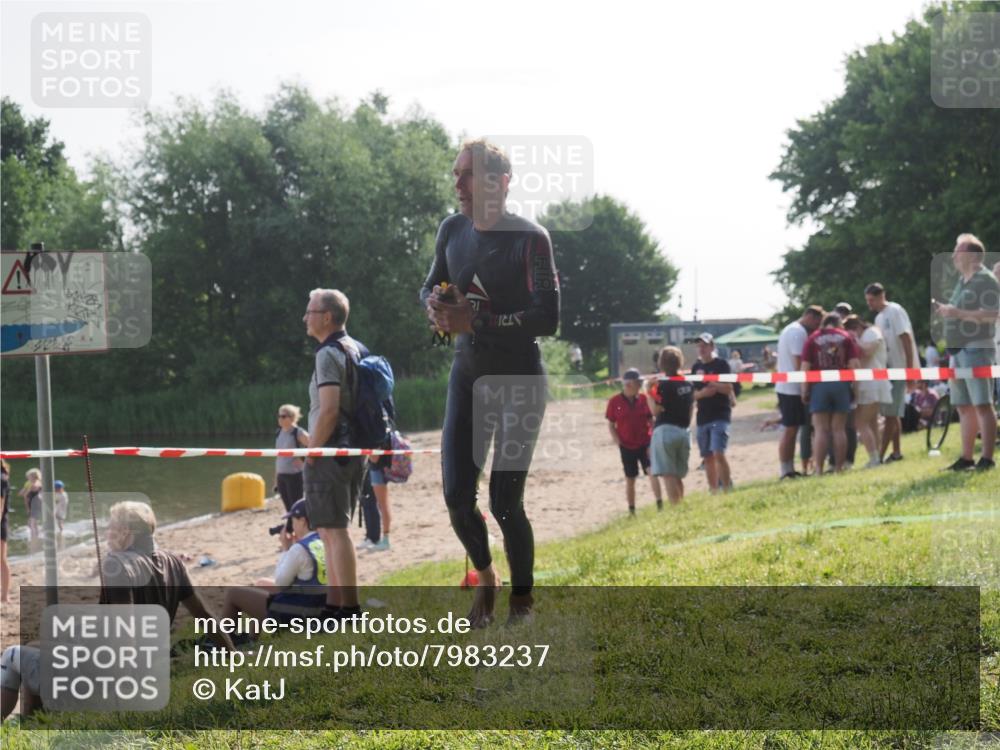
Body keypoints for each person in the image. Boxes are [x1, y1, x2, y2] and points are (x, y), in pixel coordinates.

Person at [421, 138, 560, 627]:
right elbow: (431, 283)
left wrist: (474, 319)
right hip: (467, 377)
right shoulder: (452, 229)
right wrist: (436, 307)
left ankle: (523, 599)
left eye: (468, 175)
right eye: (456, 174)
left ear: (500, 183)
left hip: (519, 379)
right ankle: (487, 578)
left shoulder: (531, 237)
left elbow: (548, 317)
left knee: (505, 501)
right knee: (458, 497)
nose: (457, 183)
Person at [1, 500, 233, 721]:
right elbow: (205, 616)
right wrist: (232, 654)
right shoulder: (174, 562)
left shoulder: (118, 565)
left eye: (111, 526)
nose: (106, 531)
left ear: (126, 532)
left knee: (12, 656)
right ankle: (34, 724)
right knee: (34, 648)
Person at [302, 288, 368, 622]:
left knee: (335, 530)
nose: (305, 318)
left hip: (331, 452)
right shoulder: (355, 348)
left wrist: (312, 451)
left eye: (310, 311)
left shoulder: (328, 353)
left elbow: (328, 410)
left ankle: (349, 608)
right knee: (328, 529)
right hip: (353, 451)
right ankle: (334, 604)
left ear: (327, 317)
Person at [934, 233, 999, 471]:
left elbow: (993, 314)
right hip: (958, 349)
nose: (952, 256)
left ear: (971, 255)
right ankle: (967, 457)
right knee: (963, 405)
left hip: (977, 347)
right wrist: (949, 312)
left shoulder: (986, 279)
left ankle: (988, 458)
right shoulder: (963, 280)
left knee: (982, 402)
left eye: (957, 251)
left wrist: (958, 313)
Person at [223, 498, 327, 628]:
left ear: (302, 521)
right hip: (322, 606)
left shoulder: (299, 549)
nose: (292, 525)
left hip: (302, 614)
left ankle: (223, 638)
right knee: (262, 583)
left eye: (292, 521)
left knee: (234, 593)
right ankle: (250, 638)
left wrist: (285, 549)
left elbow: (281, 583)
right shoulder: (324, 541)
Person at [865, 282, 919, 463]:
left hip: (899, 369)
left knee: (890, 414)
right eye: (868, 300)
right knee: (893, 412)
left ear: (882, 296)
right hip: (887, 370)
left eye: (871, 300)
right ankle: (896, 452)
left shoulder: (895, 311)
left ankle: (879, 456)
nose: (869, 304)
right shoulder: (879, 318)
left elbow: (906, 338)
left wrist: (910, 370)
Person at [801, 313, 861, 474]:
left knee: (820, 429)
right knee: (839, 429)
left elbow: (805, 366)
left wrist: (804, 389)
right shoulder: (846, 337)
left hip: (819, 385)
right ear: (838, 323)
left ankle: (819, 469)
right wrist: (855, 389)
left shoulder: (812, 338)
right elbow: (854, 365)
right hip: (841, 384)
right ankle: (839, 468)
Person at [775, 305, 824, 479]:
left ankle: (788, 468)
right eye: (817, 323)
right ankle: (786, 469)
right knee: (790, 430)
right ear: (810, 317)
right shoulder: (798, 333)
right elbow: (799, 363)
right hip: (792, 389)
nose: (817, 327)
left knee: (792, 429)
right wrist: (807, 386)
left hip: (787, 387)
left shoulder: (790, 329)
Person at [606, 368, 663, 515]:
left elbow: (651, 419)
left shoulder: (644, 399)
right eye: (639, 383)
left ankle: (660, 505)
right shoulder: (614, 402)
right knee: (630, 479)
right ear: (630, 384)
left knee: (652, 472)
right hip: (626, 446)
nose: (640, 385)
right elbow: (611, 425)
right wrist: (618, 442)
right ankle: (632, 511)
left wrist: (654, 437)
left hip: (645, 443)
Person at [646, 346, 694, 503]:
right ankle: (681, 505)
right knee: (677, 476)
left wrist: (648, 392)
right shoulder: (688, 383)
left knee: (668, 474)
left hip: (666, 430)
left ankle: (676, 509)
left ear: (661, 363)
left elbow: (655, 411)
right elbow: (691, 408)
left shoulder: (663, 385)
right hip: (684, 431)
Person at [843, 315, 891, 468]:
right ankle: (876, 457)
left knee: (861, 422)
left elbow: (868, 351)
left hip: (871, 383)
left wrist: (855, 339)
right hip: (870, 382)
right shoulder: (869, 333)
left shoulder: (872, 332)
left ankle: (874, 458)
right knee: (871, 423)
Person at [691, 333, 734, 492]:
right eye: (699, 346)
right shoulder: (696, 368)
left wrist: (713, 384)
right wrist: (703, 394)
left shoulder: (722, 364)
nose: (701, 349)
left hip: (720, 414)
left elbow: (729, 388)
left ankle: (727, 488)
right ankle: (713, 490)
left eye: (705, 345)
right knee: (707, 457)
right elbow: (693, 394)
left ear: (712, 347)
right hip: (703, 416)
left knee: (718, 452)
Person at [273, 403, 310, 543]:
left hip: (295, 475)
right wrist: (275, 479)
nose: (280, 419)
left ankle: (294, 535)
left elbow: (313, 445)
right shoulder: (279, 433)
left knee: (296, 509)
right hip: (282, 475)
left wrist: (303, 460)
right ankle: (291, 534)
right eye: (278, 416)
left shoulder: (298, 432)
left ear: (292, 417)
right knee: (288, 507)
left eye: (283, 416)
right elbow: (278, 457)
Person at [357, 455, 393, 551]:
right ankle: (374, 537)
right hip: (375, 467)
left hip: (377, 468)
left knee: (380, 504)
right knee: (375, 503)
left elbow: (374, 457)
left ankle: (383, 539)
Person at [19, 468, 41, 547]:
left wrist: (28, 508)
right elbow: (22, 494)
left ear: (34, 477)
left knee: (32, 523)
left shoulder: (35, 485)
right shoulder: (32, 484)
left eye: (29, 476)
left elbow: (25, 495)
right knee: (32, 523)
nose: (28, 478)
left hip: (35, 504)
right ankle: (36, 536)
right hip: (33, 504)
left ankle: (34, 539)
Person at [1, 460, 10, 603]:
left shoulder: (1, 477)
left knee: (1, 560)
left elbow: (0, 506)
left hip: (0, 523)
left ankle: (4, 596)